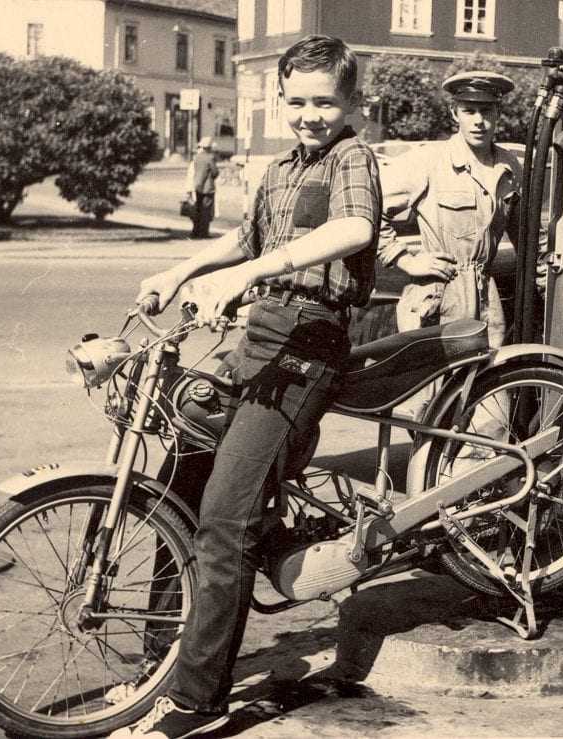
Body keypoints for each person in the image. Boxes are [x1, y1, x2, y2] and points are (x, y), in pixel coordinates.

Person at [112, 34, 381, 738]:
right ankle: (162, 659)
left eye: (324, 101)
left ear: (349, 101)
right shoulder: (281, 167)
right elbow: (241, 243)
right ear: (281, 97)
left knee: (224, 521)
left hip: (309, 348)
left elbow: (354, 227)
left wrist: (255, 272)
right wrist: (182, 273)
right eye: (297, 100)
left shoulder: (354, 157)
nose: (309, 114)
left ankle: (197, 699)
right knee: (178, 477)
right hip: (256, 340)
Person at [377, 70, 522, 350]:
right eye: (469, 111)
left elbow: (527, 236)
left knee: (487, 388)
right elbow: (368, 208)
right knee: (435, 392)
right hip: (437, 298)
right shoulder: (428, 161)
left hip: (485, 300)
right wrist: (406, 259)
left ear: (498, 113)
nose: (479, 121)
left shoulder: (509, 167)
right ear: (454, 113)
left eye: (487, 110)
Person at [186, 136, 219, 238]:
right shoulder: (210, 158)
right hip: (208, 188)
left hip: (197, 186)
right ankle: (203, 233)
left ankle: (195, 231)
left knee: (198, 209)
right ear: (208, 147)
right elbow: (215, 172)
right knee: (206, 211)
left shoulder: (196, 158)